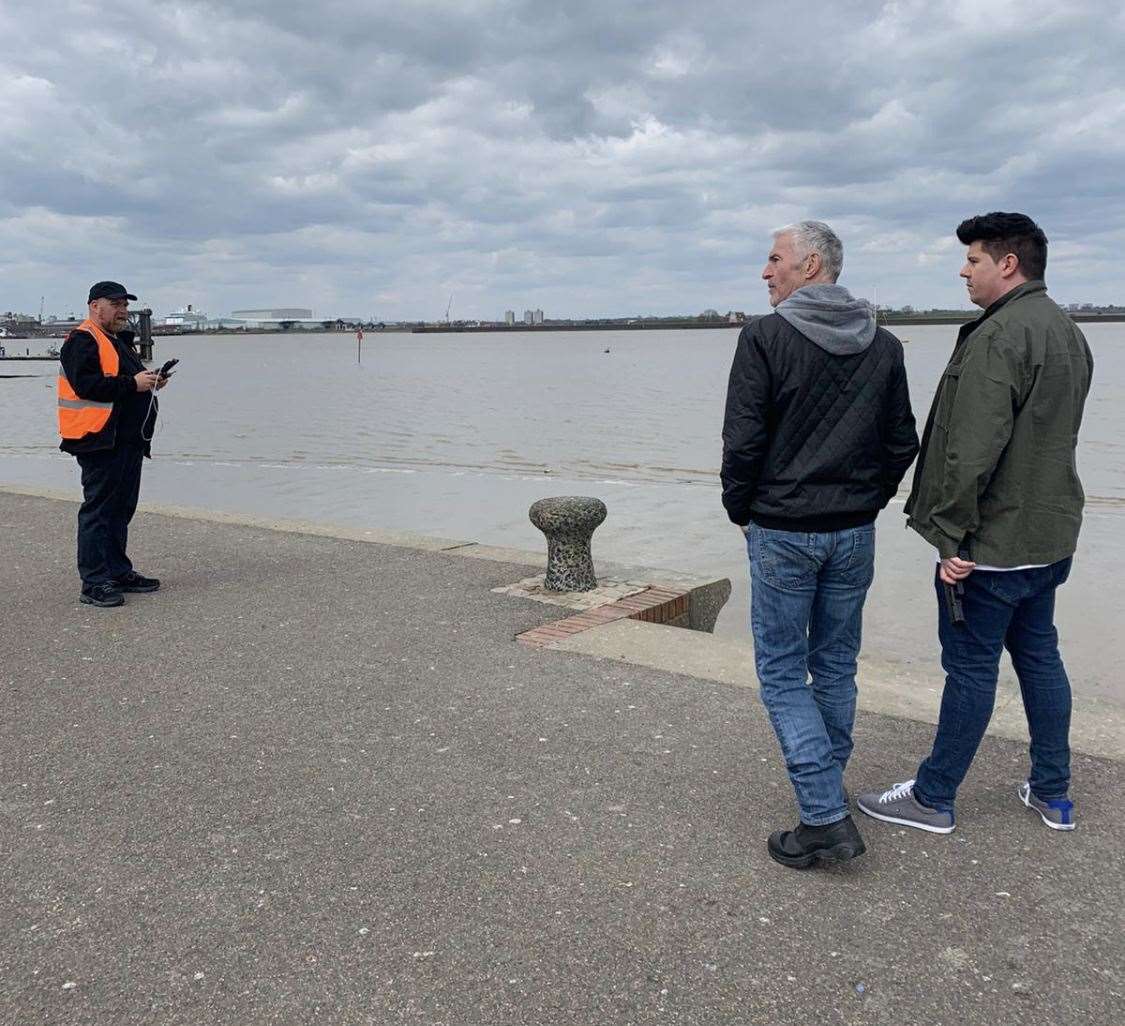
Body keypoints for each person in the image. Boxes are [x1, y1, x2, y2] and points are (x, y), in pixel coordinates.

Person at [857, 213, 1093, 834]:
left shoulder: (1001, 335)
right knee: (1041, 659)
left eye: (974, 260)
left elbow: (971, 450)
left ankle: (933, 797)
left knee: (970, 667)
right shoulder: (1068, 331)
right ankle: (1053, 792)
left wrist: (952, 538)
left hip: (990, 543)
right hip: (1048, 536)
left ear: (1008, 264)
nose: (964, 271)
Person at [721, 221, 919, 868]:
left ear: (810, 265)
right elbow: (900, 445)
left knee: (782, 672)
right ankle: (823, 797)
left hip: (782, 531)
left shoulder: (764, 337)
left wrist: (741, 510)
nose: (763, 271)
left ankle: (823, 818)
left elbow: (742, 443)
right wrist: (865, 502)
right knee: (833, 666)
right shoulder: (882, 345)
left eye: (773, 257)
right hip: (851, 534)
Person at [58, 281, 170, 607]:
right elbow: (87, 386)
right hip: (98, 440)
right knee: (98, 511)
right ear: (95, 305)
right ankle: (93, 583)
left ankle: (118, 571)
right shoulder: (82, 340)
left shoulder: (116, 341)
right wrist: (133, 383)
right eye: (116, 304)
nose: (123, 311)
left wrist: (150, 380)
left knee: (121, 509)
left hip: (126, 440)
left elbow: (125, 383)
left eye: (125, 305)